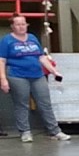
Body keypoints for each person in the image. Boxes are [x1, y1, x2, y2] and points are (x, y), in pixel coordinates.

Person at [0, 15, 71, 143]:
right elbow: (2, 60)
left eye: (23, 24)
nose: (21, 26)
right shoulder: (7, 41)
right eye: (18, 24)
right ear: (12, 26)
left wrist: (54, 71)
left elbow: (41, 57)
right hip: (17, 76)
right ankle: (25, 132)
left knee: (45, 103)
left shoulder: (32, 38)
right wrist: (3, 79)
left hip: (37, 75)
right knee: (21, 104)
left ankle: (55, 131)